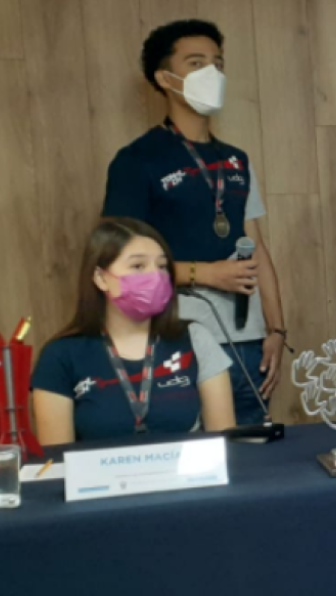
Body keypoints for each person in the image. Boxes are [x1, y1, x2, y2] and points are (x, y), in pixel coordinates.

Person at [102, 19, 287, 426]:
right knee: (189, 453)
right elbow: (117, 260)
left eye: (217, 64)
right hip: (176, 337)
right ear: (164, 78)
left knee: (253, 453)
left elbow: (256, 245)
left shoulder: (236, 160)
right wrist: (205, 273)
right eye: (196, 63)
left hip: (248, 341)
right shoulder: (137, 160)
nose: (212, 73)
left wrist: (276, 330)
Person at [32, 219, 235, 444]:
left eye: (162, 266)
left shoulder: (195, 338)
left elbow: (226, 443)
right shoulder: (60, 355)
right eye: (138, 266)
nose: (155, 276)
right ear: (101, 278)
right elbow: (56, 458)